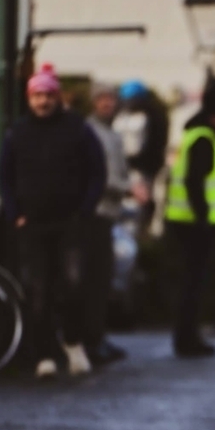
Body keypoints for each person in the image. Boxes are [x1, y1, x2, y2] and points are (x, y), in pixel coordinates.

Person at [0, 63, 106, 378]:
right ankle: (43, 354)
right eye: (37, 96)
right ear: (29, 98)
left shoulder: (77, 129)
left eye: (48, 95)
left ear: (57, 97)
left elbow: (97, 171)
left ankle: (72, 342)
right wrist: (15, 213)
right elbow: (6, 175)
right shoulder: (18, 132)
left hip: (70, 221)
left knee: (74, 285)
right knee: (38, 291)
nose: (43, 101)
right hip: (32, 224)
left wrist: (84, 210)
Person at [164, 73, 215, 357]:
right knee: (193, 285)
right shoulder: (205, 139)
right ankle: (187, 340)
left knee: (190, 284)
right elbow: (194, 182)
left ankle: (187, 338)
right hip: (195, 226)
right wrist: (204, 218)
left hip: (186, 223)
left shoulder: (195, 135)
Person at [84, 82, 133, 366]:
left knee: (103, 279)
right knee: (94, 278)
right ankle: (91, 340)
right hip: (95, 213)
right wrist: (129, 188)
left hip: (108, 214)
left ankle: (98, 337)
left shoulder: (111, 133)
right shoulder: (91, 132)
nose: (107, 103)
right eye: (102, 98)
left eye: (111, 98)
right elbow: (100, 175)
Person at [114, 79, 169, 235]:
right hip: (120, 169)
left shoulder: (150, 117)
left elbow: (155, 145)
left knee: (135, 208)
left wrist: (142, 165)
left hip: (141, 170)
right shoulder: (120, 116)